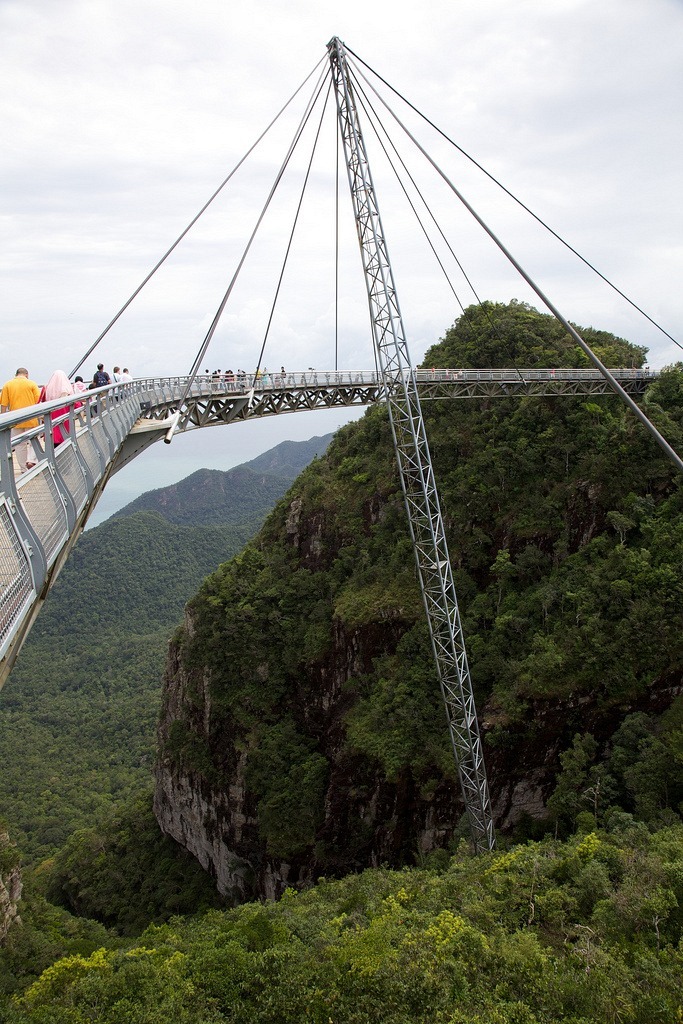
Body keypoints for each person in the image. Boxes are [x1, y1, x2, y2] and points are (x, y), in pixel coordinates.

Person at [1, 367, 41, 472]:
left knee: (19, 445)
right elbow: (38, 400)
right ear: (26, 374)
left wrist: (4, 419)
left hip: (15, 420)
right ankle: (31, 461)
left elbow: (4, 404)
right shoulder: (31, 384)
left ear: (16, 374)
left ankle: (23, 468)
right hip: (31, 418)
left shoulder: (7, 385)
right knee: (34, 441)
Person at [40, 370, 76, 446]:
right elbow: (77, 405)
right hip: (65, 424)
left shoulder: (46, 389)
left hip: (51, 424)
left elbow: (41, 404)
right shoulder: (68, 390)